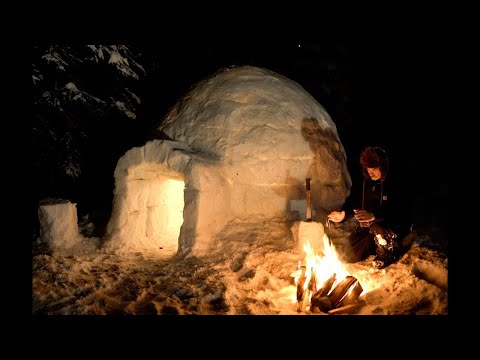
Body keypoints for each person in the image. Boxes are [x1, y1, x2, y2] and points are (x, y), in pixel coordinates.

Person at [327, 146, 412, 269]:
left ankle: (387, 252)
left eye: (374, 169)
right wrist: (343, 214)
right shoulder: (365, 182)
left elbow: (401, 210)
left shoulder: (396, 183)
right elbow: (353, 201)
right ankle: (376, 243)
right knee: (346, 255)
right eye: (368, 169)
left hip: (391, 226)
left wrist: (374, 215)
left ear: (383, 167)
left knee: (378, 230)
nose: (370, 172)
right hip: (370, 227)